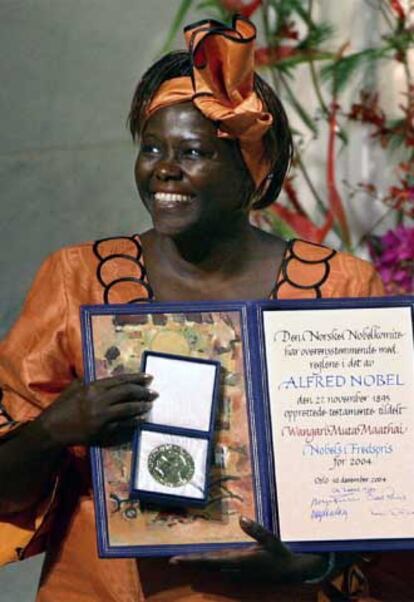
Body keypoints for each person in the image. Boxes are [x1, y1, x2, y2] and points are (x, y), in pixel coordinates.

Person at [0, 14, 402, 602]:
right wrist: (54, 429)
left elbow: (381, 484)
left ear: (249, 174)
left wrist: (308, 566)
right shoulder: (78, 279)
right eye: (152, 148)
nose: (165, 167)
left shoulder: (340, 286)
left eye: (193, 151)